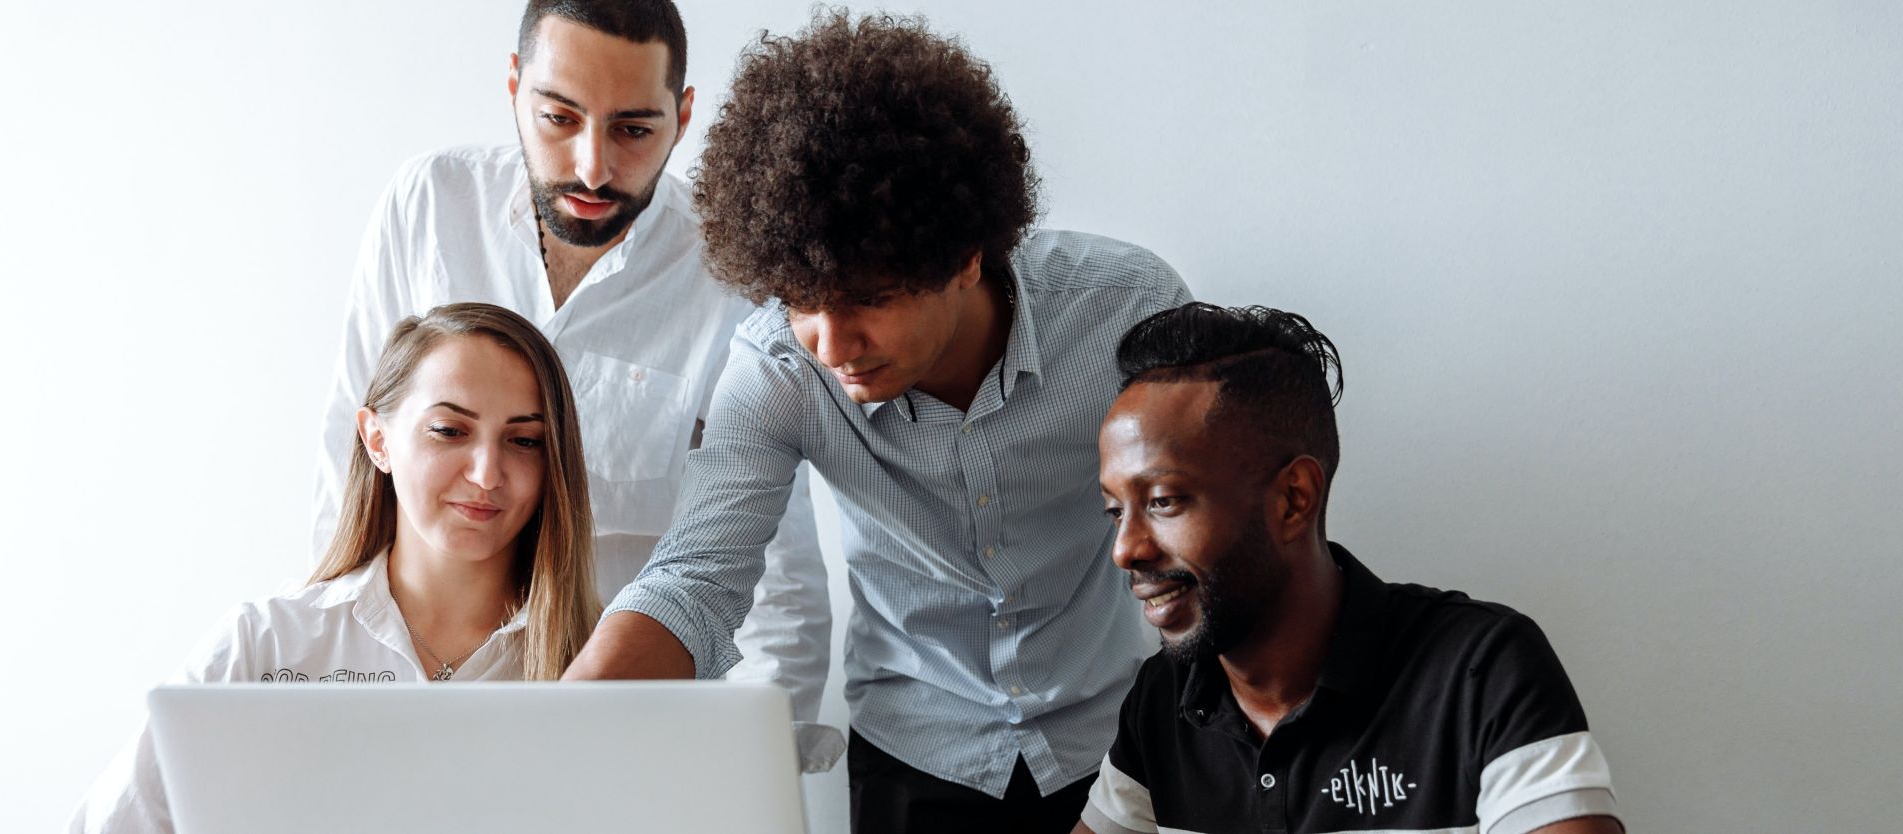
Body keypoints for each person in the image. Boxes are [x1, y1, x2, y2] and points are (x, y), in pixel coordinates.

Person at [564, 11, 1192, 833]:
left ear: (966, 256)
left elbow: (1217, 553)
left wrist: (1136, 793)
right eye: (800, 303)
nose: (832, 345)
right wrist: (554, 740)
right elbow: (694, 581)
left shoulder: (1127, 313)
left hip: (1121, 741)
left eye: (870, 299)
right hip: (915, 758)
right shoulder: (778, 371)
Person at [312, 0, 830, 722]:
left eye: (633, 129)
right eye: (559, 118)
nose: (593, 167)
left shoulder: (730, 275)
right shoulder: (429, 206)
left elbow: (774, 569)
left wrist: (755, 769)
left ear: (682, 117)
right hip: (418, 707)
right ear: (515, 87)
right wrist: (327, 682)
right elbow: (352, 469)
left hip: (628, 733)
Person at [1077, 303, 1622, 834]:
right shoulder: (1163, 697)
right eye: (1114, 510)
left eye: (1165, 501)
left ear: (1293, 499)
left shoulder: (1481, 670)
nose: (1126, 549)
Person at [73, 303, 601, 834]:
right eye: (449, 430)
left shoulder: (599, 661)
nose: (487, 474)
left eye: (525, 440)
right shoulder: (263, 645)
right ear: (377, 440)